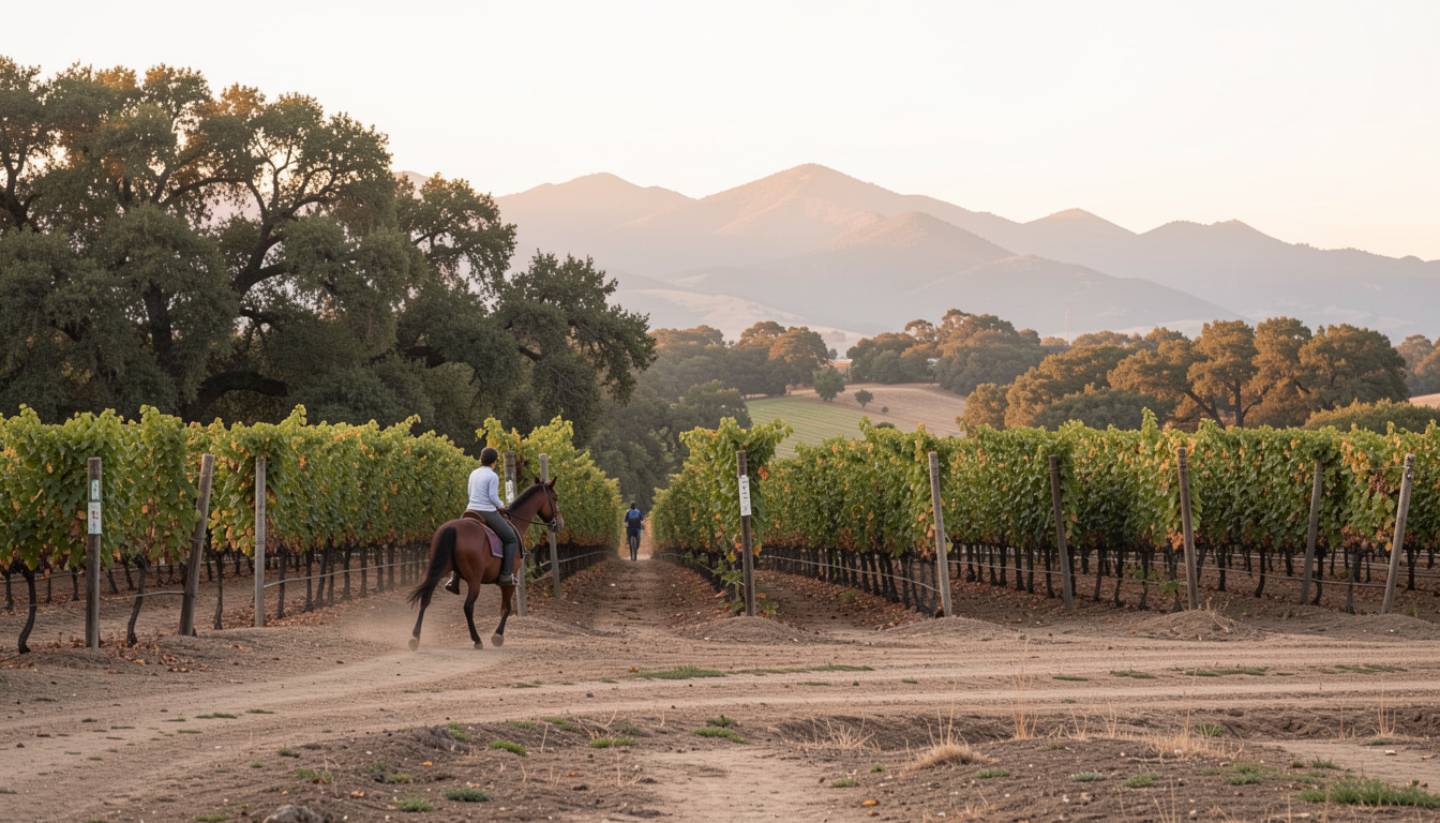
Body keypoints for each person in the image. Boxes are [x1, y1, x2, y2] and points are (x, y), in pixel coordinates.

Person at [447, 447, 520, 593]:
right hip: (486, 511)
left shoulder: (473, 473)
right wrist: (502, 507)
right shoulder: (492, 476)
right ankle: (506, 575)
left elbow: (469, 492)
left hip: (470, 510)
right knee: (511, 538)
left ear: (481, 459)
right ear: (494, 461)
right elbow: (492, 497)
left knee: (457, 540)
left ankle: (454, 578)